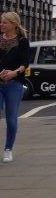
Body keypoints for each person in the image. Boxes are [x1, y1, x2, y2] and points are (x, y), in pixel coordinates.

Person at [0, 11, 30, 163]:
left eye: (4, 22)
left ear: (13, 24)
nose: (1, 24)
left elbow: (25, 63)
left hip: (14, 84)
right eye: (1, 22)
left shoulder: (22, 41)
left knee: (11, 119)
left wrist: (14, 73)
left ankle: (8, 149)